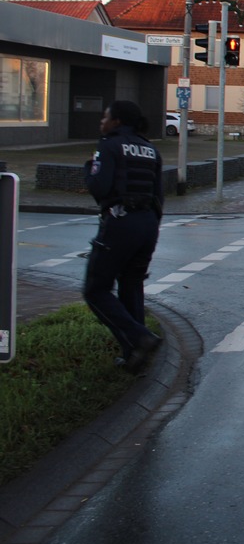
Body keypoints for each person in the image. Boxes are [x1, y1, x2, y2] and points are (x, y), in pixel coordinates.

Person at [82, 100, 164, 372]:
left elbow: (100, 188)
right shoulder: (150, 149)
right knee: (131, 284)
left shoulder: (109, 145)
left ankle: (138, 336)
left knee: (96, 289)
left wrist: (88, 170)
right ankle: (135, 355)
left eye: (105, 117)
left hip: (120, 222)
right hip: (148, 224)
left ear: (116, 121)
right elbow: (159, 195)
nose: (101, 122)